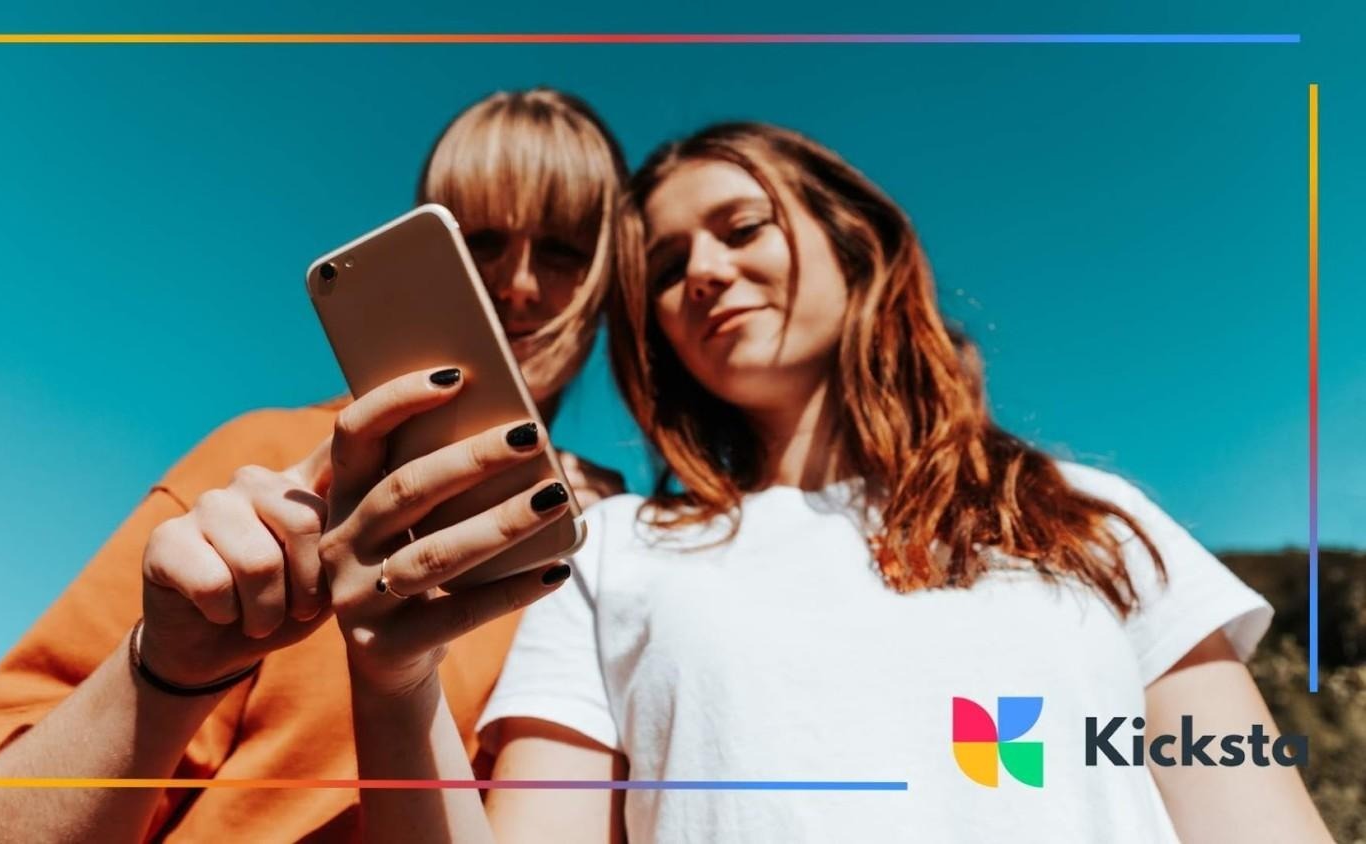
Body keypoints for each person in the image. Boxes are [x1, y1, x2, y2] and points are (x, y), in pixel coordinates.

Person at [327, 122, 1334, 843]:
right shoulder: (613, 552)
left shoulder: (1090, 516)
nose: (703, 273)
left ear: (855, 241)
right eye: (667, 269)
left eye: (741, 227)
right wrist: (394, 687)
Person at [0, 88, 628, 843]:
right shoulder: (268, 464)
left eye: (563, 250)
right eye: (481, 241)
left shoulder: (628, 537)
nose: (520, 284)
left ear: (609, 279)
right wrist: (165, 674)